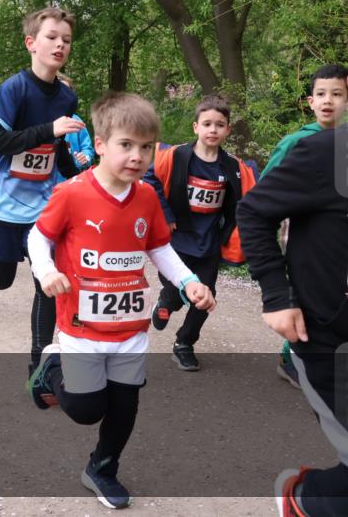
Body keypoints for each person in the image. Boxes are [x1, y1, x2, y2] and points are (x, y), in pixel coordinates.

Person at [238, 10, 348, 517]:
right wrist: (276, 295)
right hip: (339, 347)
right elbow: (254, 212)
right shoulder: (326, 154)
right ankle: (304, 498)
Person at [26, 92, 215, 509]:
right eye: (126, 144)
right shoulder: (72, 193)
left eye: (146, 147)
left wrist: (188, 282)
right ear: (100, 144)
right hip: (81, 326)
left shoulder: (146, 196)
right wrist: (46, 271)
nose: (137, 156)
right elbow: (38, 237)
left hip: (130, 328)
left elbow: (159, 249)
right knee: (85, 409)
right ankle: (50, 368)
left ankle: (102, 468)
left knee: (125, 405)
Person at [0, 7, 82, 379]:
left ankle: (38, 368)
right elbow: (0, 143)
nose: (60, 44)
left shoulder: (67, 97)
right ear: (31, 43)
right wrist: (49, 130)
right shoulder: (15, 88)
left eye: (66, 40)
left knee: (47, 283)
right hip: (1, 205)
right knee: (3, 277)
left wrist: (80, 179)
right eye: (51, 37)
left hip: (42, 207)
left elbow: (56, 148)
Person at [143, 95, 256, 371]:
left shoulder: (233, 166)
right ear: (196, 127)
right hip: (175, 241)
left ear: (228, 130)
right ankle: (166, 301)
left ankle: (184, 343)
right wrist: (166, 215)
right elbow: (149, 178)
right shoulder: (176, 156)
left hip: (208, 243)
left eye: (219, 125)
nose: (213, 130)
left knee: (206, 296)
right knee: (175, 288)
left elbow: (246, 198)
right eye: (207, 124)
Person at [261, 64, 348, 388]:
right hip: (300, 234)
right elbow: (265, 191)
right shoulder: (296, 142)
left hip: (343, 238)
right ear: (310, 102)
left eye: (337, 94)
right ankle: (291, 358)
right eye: (321, 94)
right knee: (305, 295)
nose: (328, 100)